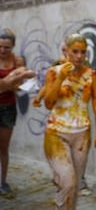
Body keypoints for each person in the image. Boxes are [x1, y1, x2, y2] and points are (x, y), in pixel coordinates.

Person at [43, 33, 96, 209]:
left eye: (83, 52)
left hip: (82, 133)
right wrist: (61, 78)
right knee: (68, 182)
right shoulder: (53, 72)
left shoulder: (91, 74)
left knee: (76, 185)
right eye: (75, 51)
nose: (79, 56)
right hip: (56, 132)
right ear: (67, 51)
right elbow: (48, 103)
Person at [0, 29, 31, 196]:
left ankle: (3, 181)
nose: (3, 50)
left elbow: (20, 83)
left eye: (7, 47)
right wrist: (8, 84)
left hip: (8, 107)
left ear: (12, 46)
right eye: (0, 47)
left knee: (3, 147)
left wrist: (9, 84)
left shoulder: (16, 61)